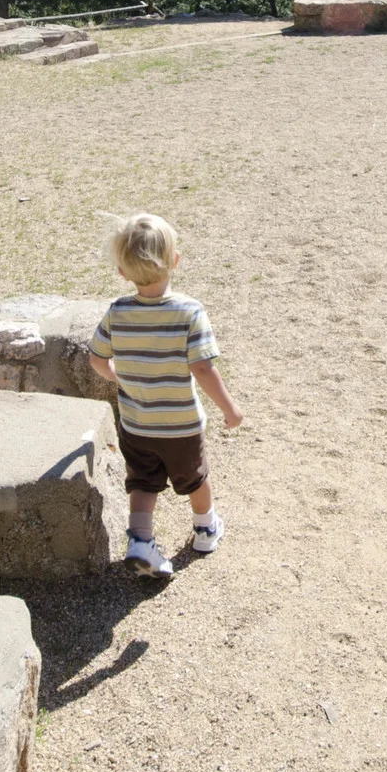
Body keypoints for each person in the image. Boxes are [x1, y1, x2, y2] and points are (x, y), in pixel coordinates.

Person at [89, 213, 244, 578]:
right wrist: (230, 408)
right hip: (181, 426)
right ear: (174, 261)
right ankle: (205, 529)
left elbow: (97, 358)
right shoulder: (189, 312)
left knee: (142, 482)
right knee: (195, 477)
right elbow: (203, 369)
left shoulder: (118, 312)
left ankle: (141, 542)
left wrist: (115, 377)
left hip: (136, 424)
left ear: (122, 272)